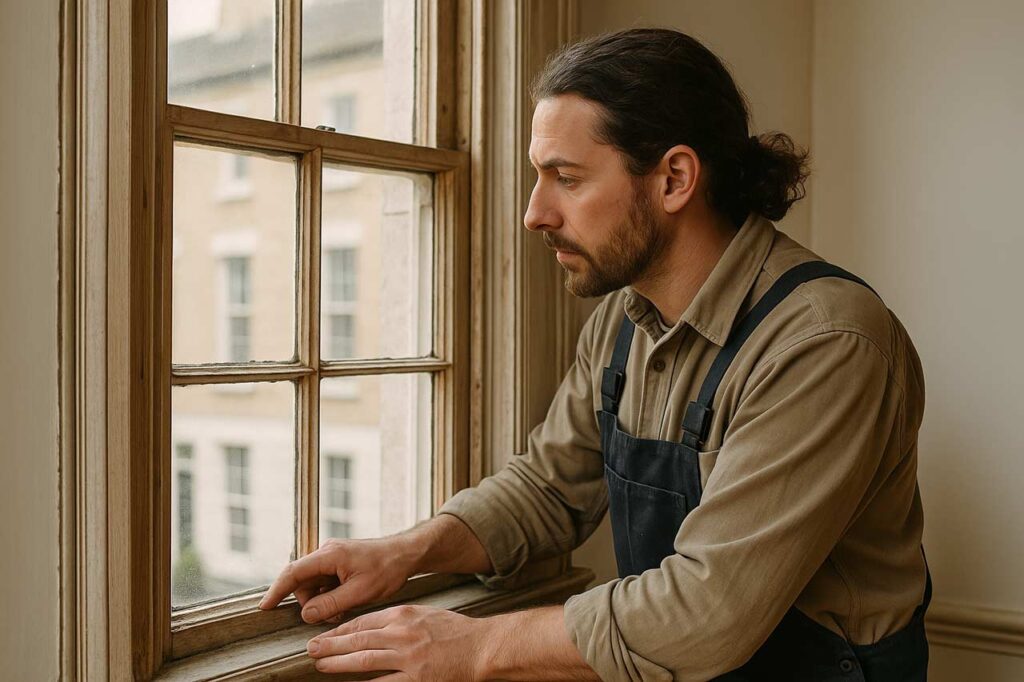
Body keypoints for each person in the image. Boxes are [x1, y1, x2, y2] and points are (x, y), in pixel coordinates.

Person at [259, 28, 930, 681]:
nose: (534, 213)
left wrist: (475, 647)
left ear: (673, 179)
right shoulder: (621, 318)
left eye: (567, 178)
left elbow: (709, 610)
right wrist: (405, 553)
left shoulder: (824, 342)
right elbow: (548, 490)